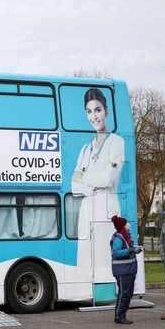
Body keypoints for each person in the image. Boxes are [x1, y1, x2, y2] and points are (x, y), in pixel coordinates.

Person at [71, 88, 125, 274]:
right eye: (89, 111)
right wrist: (92, 182)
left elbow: (109, 178)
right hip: (87, 211)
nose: (94, 116)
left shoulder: (116, 142)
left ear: (106, 111)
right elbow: (74, 185)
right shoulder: (85, 149)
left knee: (105, 261)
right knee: (87, 265)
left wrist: (85, 178)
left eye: (97, 110)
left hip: (107, 209)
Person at [110, 216, 141, 325]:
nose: (129, 225)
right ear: (123, 226)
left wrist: (134, 250)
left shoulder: (125, 236)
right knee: (124, 294)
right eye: (127, 223)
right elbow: (116, 253)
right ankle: (119, 316)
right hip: (123, 271)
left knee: (128, 294)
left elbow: (127, 250)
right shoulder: (119, 238)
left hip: (128, 270)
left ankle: (122, 315)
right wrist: (130, 250)